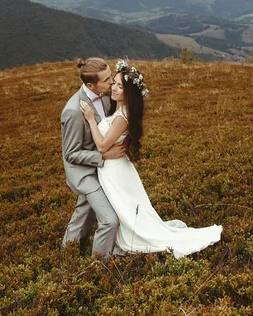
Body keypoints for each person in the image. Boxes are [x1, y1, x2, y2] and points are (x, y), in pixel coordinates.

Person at [79, 59, 222, 258]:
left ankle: (125, 243)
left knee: (125, 209)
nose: (113, 87)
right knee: (125, 208)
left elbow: (102, 145)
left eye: (120, 86)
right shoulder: (119, 111)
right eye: (114, 83)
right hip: (115, 167)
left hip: (115, 170)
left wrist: (89, 120)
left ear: (128, 92)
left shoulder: (122, 117)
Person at [61, 57, 126, 260]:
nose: (112, 83)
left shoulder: (106, 97)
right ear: (90, 85)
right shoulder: (73, 111)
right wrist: (103, 155)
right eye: (107, 80)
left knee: (84, 211)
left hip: (102, 167)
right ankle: (99, 265)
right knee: (109, 220)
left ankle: (68, 253)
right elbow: (70, 154)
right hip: (83, 172)